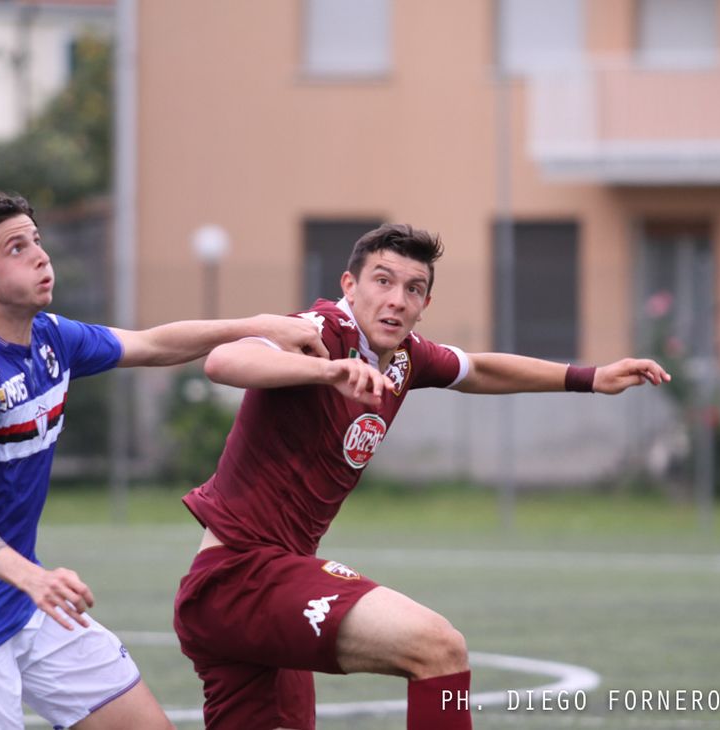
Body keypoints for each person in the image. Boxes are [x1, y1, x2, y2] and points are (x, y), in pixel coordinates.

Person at [172, 223, 671, 730]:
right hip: (239, 578)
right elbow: (225, 360)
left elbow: (479, 370)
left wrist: (591, 378)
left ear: (424, 304)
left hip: (264, 592)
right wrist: (327, 371)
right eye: (382, 281)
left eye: (413, 289)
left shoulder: (406, 357)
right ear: (350, 286)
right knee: (438, 648)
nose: (397, 299)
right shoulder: (321, 331)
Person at [0, 188, 327, 730]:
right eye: (16, 248)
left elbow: (154, 345)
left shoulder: (51, 340)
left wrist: (258, 325)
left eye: (37, 240)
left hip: (28, 604)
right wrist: (34, 578)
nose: (41, 256)